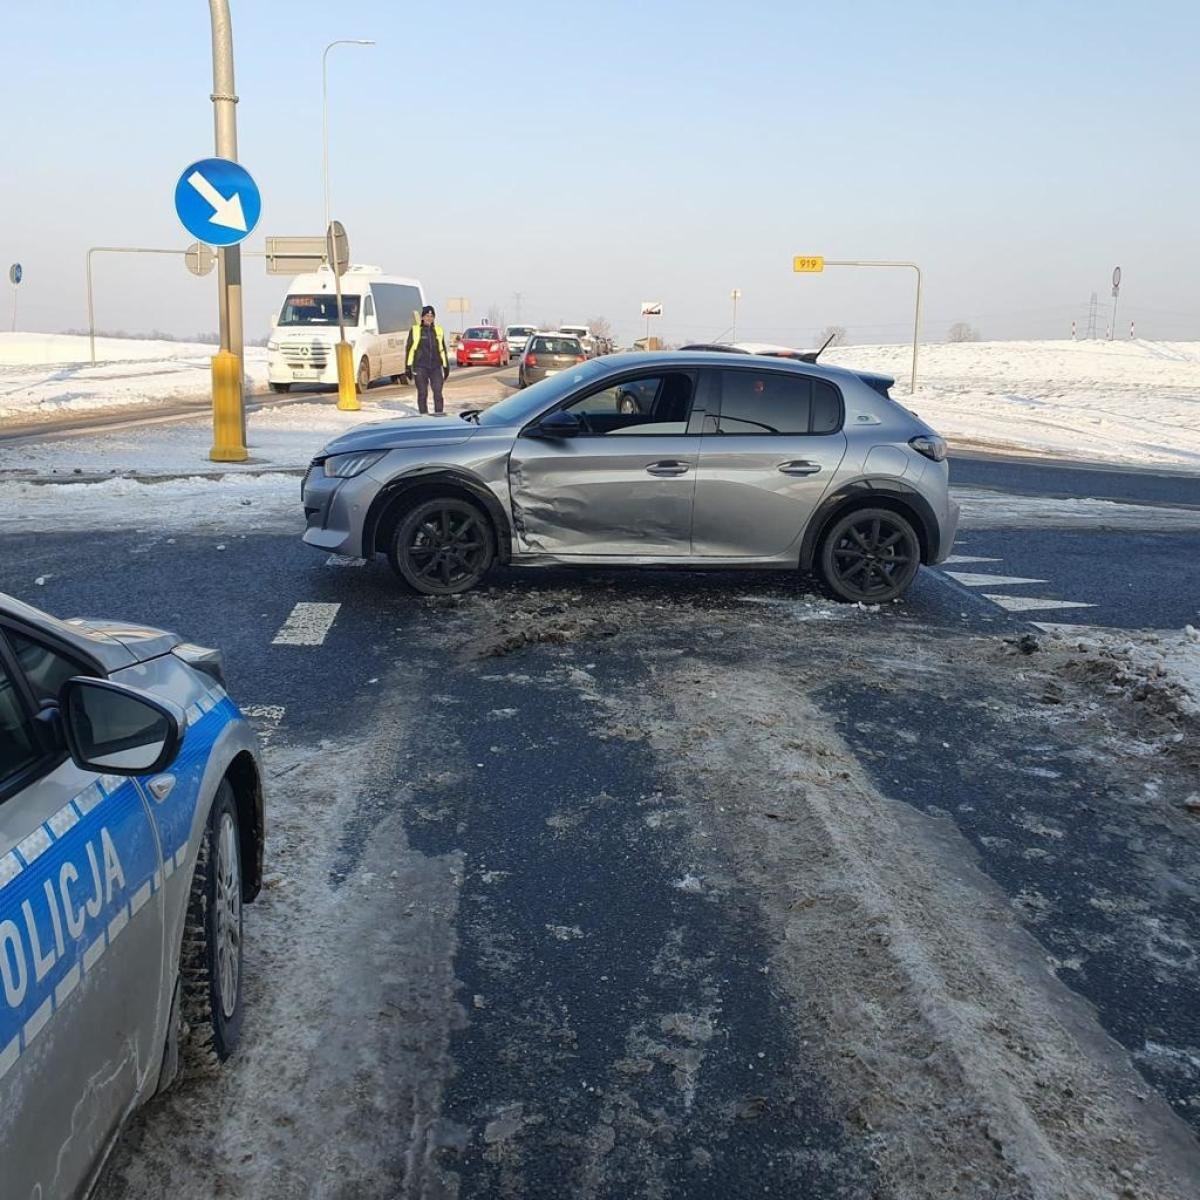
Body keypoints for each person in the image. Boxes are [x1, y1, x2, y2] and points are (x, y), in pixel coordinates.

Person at [405, 305, 450, 415]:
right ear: (422, 317)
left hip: (435, 367)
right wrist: (408, 366)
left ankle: (439, 415)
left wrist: (446, 365)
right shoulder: (415, 330)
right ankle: (423, 416)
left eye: (431, 316)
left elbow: (442, 348)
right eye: (427, 316)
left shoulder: (438, 330)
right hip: (420, 367)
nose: (429, 318)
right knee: (422, 393)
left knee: (438, 393)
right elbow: (410, 349)